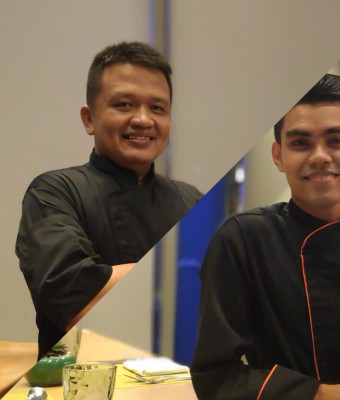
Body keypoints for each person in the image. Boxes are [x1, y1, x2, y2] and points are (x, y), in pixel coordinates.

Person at [190, 74, 340, 400]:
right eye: (301, 143)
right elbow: (215, 377)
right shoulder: (243, 240)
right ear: (278, 155)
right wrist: (332, 395)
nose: (319, 156)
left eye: (336, 140)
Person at [16, 41, 202, 359]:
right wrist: (179, 280)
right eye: (125, 105)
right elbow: (75, 297)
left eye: (158, 108)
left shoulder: (190, 200)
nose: (143, 119)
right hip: (80, 377)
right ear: (89, 119)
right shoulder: (53, 192)